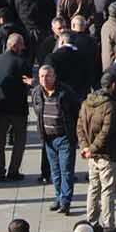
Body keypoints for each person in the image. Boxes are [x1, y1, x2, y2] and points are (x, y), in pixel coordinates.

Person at [78, 72, 116, 232]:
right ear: (113, 84)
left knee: (93, 187)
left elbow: (79, 126)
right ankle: (109, 227)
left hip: (91, 155)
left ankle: (91, 222)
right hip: (107, 154)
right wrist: (93, 148)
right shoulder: (110, 105)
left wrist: (86, 147)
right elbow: (106, 132)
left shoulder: (87, 102)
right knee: (107, 190)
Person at [31, 63, 79, 215]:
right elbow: (37, 110)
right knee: (55, 171)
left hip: (64, 137)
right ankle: (58, 197)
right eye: (41, 76)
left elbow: (76, 110)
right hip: (48, 138)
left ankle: (65, 201)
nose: (44, 79)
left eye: (48, 76)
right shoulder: (37, 92)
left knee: (66, 170)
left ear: (54, 76)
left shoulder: (65, 92)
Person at [0, 33, 33, 182]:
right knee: (19, 141)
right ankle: (13, 171)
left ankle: (0, 171)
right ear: (14, 46)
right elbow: (27, 84)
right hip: (18, 108)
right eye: (21, 44)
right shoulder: (22, 63)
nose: (24, 47)